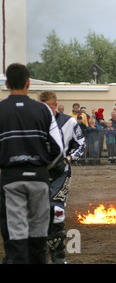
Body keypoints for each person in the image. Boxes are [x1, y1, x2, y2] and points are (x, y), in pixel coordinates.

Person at [0, 63, 64, 264]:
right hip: (39, 178)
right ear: (28, 83)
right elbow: (59, 149)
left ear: (7, 84)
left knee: (16, 234)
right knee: (38, 235)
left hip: (11, 178)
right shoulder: (43, 110)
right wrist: (43, 168)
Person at [38, 91, 85, 264]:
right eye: (43, 107)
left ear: (56, 105)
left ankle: (59, 256)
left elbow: (81, 143)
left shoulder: (69, 122)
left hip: (61, 171)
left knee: (57, 211)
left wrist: (68, 158)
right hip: (40, 172)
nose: (47, 110)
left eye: (49, 107)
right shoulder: (36, 122)